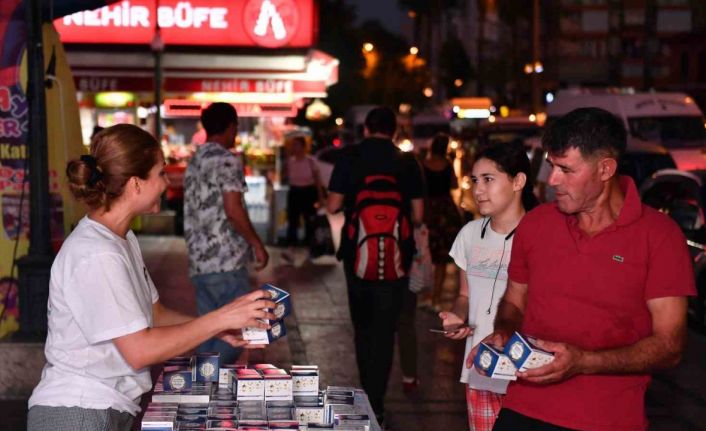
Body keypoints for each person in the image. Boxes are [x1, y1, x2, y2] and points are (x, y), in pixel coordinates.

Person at [27, 124, 275, 431]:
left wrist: (217, 330)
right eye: (160, 173)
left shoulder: (121, 238)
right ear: (135, 184)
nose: (166, 182)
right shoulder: (97, 253)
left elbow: (154, 315)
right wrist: (221, 318)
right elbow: (140, 350)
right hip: (77, 412)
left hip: (106, 407)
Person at [474, 108, 696, 431]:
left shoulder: (660, 237)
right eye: (552, 166)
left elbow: (670, 346)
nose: (552, 181)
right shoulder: (536, 224)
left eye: (566, 169)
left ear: (605, 169)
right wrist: (505, 333)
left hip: (608, 421)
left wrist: (583, 362)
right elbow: (514, 300)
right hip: (522, 410)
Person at [326, 106, 424, 424]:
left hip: (357, 256)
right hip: (397, 260)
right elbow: (419, 216)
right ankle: (377, 403)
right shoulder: (407, 161)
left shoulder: (350, 157)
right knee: (385, 331)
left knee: (363, 329)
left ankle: (367, 395)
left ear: (366, 129)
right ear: (394, 131)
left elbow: (333, 205)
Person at [438, 142, 537, 431]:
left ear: (518, 181)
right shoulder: (469, 235)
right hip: (480, 368)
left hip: (526, 372)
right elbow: (464, 295)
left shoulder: (540, 237)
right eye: (475, 181)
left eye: (489, 180)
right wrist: (456, 317)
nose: (478, 190)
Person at [184, 102, 270, 364]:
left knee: (210, 333)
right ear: (231, 126)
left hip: (199, 262)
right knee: (235, 336)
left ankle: (205, 393)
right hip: (225, 261)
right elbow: (233, 210)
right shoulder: (226, 160)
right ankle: (206, 383)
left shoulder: (195, 159)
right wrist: (257, 244)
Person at [423, 133, 463, 311]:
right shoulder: (447, 165)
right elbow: (455, 185)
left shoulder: (423, 165)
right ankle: (437, 298)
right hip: (445, 212)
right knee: (440, 259)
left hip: (428, 211)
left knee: (425, 256)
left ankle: (427, 295)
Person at [283, 136, 325, 261]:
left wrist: (321, 197)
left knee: (309, 221)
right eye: (293, 145)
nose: (294, 148)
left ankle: (309, 249)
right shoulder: (290, 161)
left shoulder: (311, 161)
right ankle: (290, 249)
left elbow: (318, 181)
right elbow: (286, 176)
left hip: (308, 192)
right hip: (294, 192)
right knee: (292, 221)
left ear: (303, 146)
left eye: (296, 145)